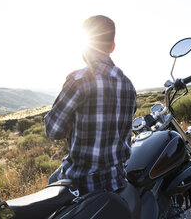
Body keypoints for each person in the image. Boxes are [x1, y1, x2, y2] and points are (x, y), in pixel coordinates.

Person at [44, 15, 137, 194]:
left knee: (51, 181)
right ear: (112, 47)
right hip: (116, 182)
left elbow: (53, 130)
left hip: (81, 186)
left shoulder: (79, 80)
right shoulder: (128, 85)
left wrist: (71, 123)